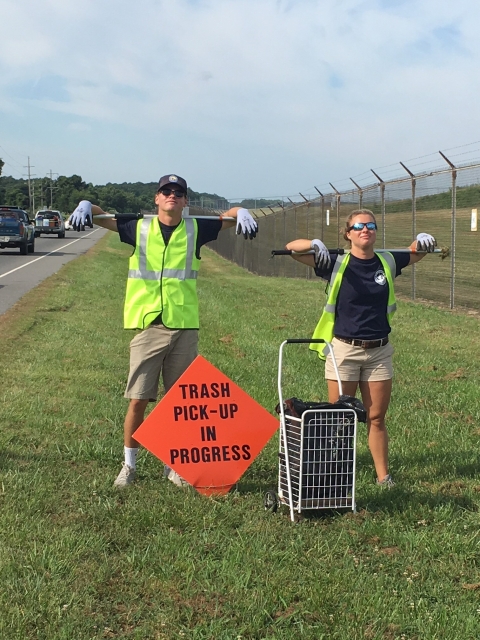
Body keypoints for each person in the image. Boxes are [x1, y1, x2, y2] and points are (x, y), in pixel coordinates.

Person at [69, 174, 258, 488]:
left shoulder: (197, 228)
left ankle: (175, 465)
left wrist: (243, 212)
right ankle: (129, 466)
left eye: (178, 193)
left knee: (180, 404)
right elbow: (103, 218)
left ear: (185, 201)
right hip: (149, 326)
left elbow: (230, 216)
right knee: (138, 399)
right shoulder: (137, 227)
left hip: (183, 326)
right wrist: (87, 204)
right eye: (166, 191)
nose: (172, 195)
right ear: (157, 198)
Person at [285, 209, 436, 487]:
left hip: (379, 351)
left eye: (370, 225)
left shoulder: (387, 260)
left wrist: (423, 241)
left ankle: (383, 477)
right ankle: (337, 477)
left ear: (375, 231)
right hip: (345, 351)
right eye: (358, 226)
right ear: (348, 233)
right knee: (340, 417)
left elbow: (414, 252)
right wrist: (313, 244)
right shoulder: (334, 261)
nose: (365, 229)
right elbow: (292, 249)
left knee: (376, 417)